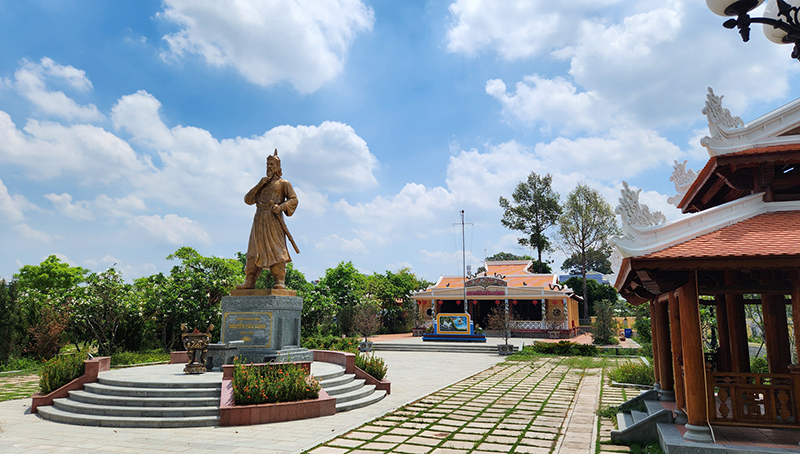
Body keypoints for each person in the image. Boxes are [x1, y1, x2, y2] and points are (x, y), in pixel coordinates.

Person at [237, 149, 298, 289]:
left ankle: (280, 282)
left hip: (273, 220)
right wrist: (259, 185)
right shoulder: (262, 184)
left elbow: (294, 200)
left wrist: (281, 207)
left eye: (272, 164)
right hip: (259, 220)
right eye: (267, 164)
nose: (269, 167)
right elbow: (248, 200)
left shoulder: (284, 183)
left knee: (277, 249)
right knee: (254, 250)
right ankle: (249, 281)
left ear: (278, 167)